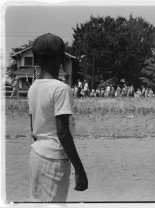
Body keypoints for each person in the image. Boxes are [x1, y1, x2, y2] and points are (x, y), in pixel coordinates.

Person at [28, 33, 88, 202]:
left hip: (37, 154)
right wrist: (79, 169)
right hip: (54, 159)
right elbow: (63, 132)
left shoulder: (33, 87)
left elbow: (33, 128)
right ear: (61, 58)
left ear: (35, 59)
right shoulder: (61, 89)